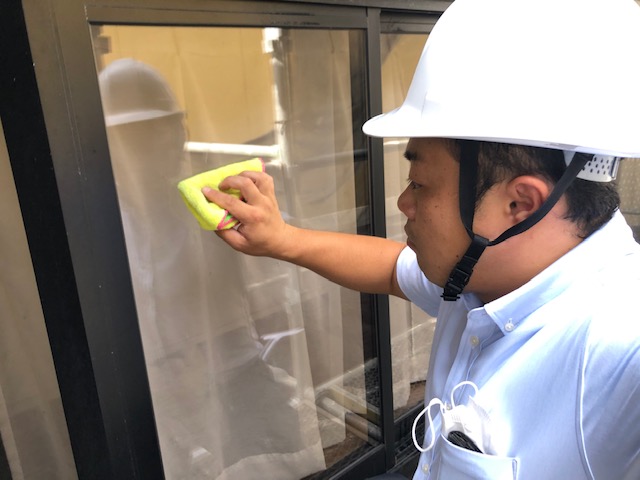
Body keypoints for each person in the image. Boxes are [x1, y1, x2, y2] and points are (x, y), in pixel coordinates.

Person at [202, 0, 640, 478]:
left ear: (520, 204)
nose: (403, 202)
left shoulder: (617, 346)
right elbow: (392, 269)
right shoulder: (490, 272)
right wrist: (280, 239)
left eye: (420, 183)